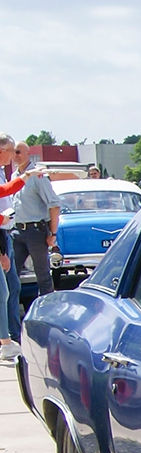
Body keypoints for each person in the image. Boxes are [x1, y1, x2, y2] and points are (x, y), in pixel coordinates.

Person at [8, 142, 62, 317]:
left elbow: (54, 205)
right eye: (13, 152)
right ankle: (11, 316)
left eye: (18, 152)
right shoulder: (15, 175)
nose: (15, 156)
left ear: (27, 153)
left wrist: (53, 234)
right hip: (17, 230)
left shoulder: (38, 175)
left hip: (35, 230)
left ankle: (47, 315)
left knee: (43, 275)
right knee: (10, 274)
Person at [0, 134, 23, 351]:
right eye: (11, 151)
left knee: (10, 288)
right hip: (1, 237)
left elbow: (5, 191)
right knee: (5, 290)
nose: (13, 156)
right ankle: (6, 340)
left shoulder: (2, 172)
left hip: (6, 234)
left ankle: (8, 337)